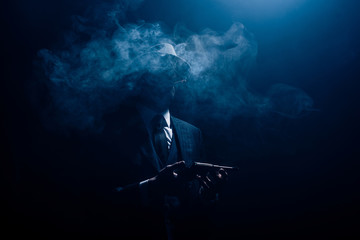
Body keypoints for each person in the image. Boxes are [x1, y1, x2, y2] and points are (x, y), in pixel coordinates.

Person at [79, 43, 229, 239]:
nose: (166, 80)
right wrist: (151, 187)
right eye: (157, 72)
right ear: (141, 78)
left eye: (171, 73)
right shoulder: (109, 130)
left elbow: (197, 209)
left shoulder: (193, 133)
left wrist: (207, 195)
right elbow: (93, 201)